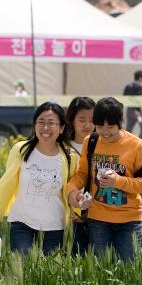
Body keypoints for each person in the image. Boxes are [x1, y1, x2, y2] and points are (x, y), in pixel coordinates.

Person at [67, 97, 142, 262]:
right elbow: (82, 175)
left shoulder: (136, 145)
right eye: (100, 127)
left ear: (121, 122)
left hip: (129, 221)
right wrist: (73, 192)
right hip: (98, 220)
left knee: (130, 271)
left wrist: (118, 181)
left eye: (111, 127)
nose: (105, 132)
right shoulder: (91, 141)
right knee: (101, 270)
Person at [0, 101, 78, 255]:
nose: (45, 128)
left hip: (55, 226)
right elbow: (7, 184)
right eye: (41, 122)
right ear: (34, 125)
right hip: (22, 223)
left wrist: (77, 212)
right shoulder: (21, 150)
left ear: (62, 128)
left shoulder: (71, 157)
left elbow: (72, 189)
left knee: (49, 273)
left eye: (51, 123)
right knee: (22, 266)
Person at [64, 96, 95, 256]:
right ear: (71, 120)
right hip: (70, 217)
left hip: (97, 213)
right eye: (82, 119)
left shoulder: (100, 145)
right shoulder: (62, 147)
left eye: (92, 120)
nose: (87, 125)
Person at [123, 70, 142, 137]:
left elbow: (124, 97)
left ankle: (125, 144)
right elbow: (138, 100)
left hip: (129, 111)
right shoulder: (139, 87)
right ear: (140, 77)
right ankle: (140, 143)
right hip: (137, 112)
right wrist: (138, 111)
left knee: (128, 130)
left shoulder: (128, 86)